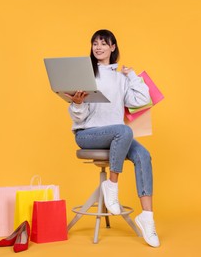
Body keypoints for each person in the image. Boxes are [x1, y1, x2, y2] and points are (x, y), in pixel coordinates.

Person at [66, 29, 160, 248]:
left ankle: (147, 218)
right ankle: (112, 185)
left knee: (144, 155)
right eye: (94, 43)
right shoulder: (86, 76)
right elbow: (78, 116)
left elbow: (141, 99)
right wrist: (77, 103)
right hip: (88, 134)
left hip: (116, 136)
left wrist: (132, 75)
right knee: (124, 131)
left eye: (103, 43)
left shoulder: (121, 78)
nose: (98, 47)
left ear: (112, 47)